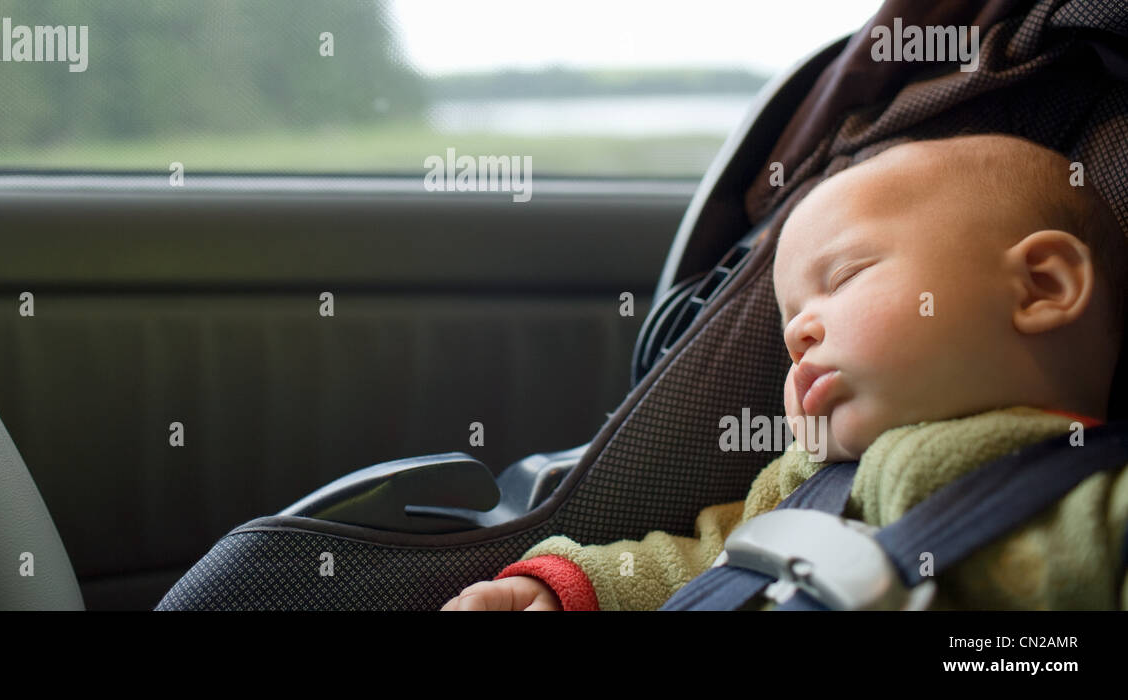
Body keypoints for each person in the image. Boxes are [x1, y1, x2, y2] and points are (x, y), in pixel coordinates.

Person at [440, 133, 1128, 610]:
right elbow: (710, 562)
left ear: (1042, 287)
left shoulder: (1090, 507)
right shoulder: (800, 484)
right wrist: (576, 587)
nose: (798, 334)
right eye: (789, 321)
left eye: (847, 275)